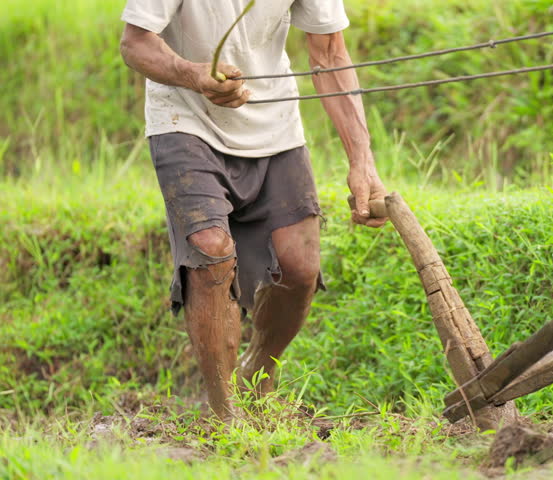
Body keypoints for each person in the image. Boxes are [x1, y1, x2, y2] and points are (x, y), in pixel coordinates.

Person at [119, 0, 388, 419]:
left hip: (273, 119)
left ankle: (258, 368)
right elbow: (135, 43)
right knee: (210, 251)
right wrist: (195, 75)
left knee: (299, 267)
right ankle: (227, 414)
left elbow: (330, 52)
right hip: (184, 118)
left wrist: (362, 163)